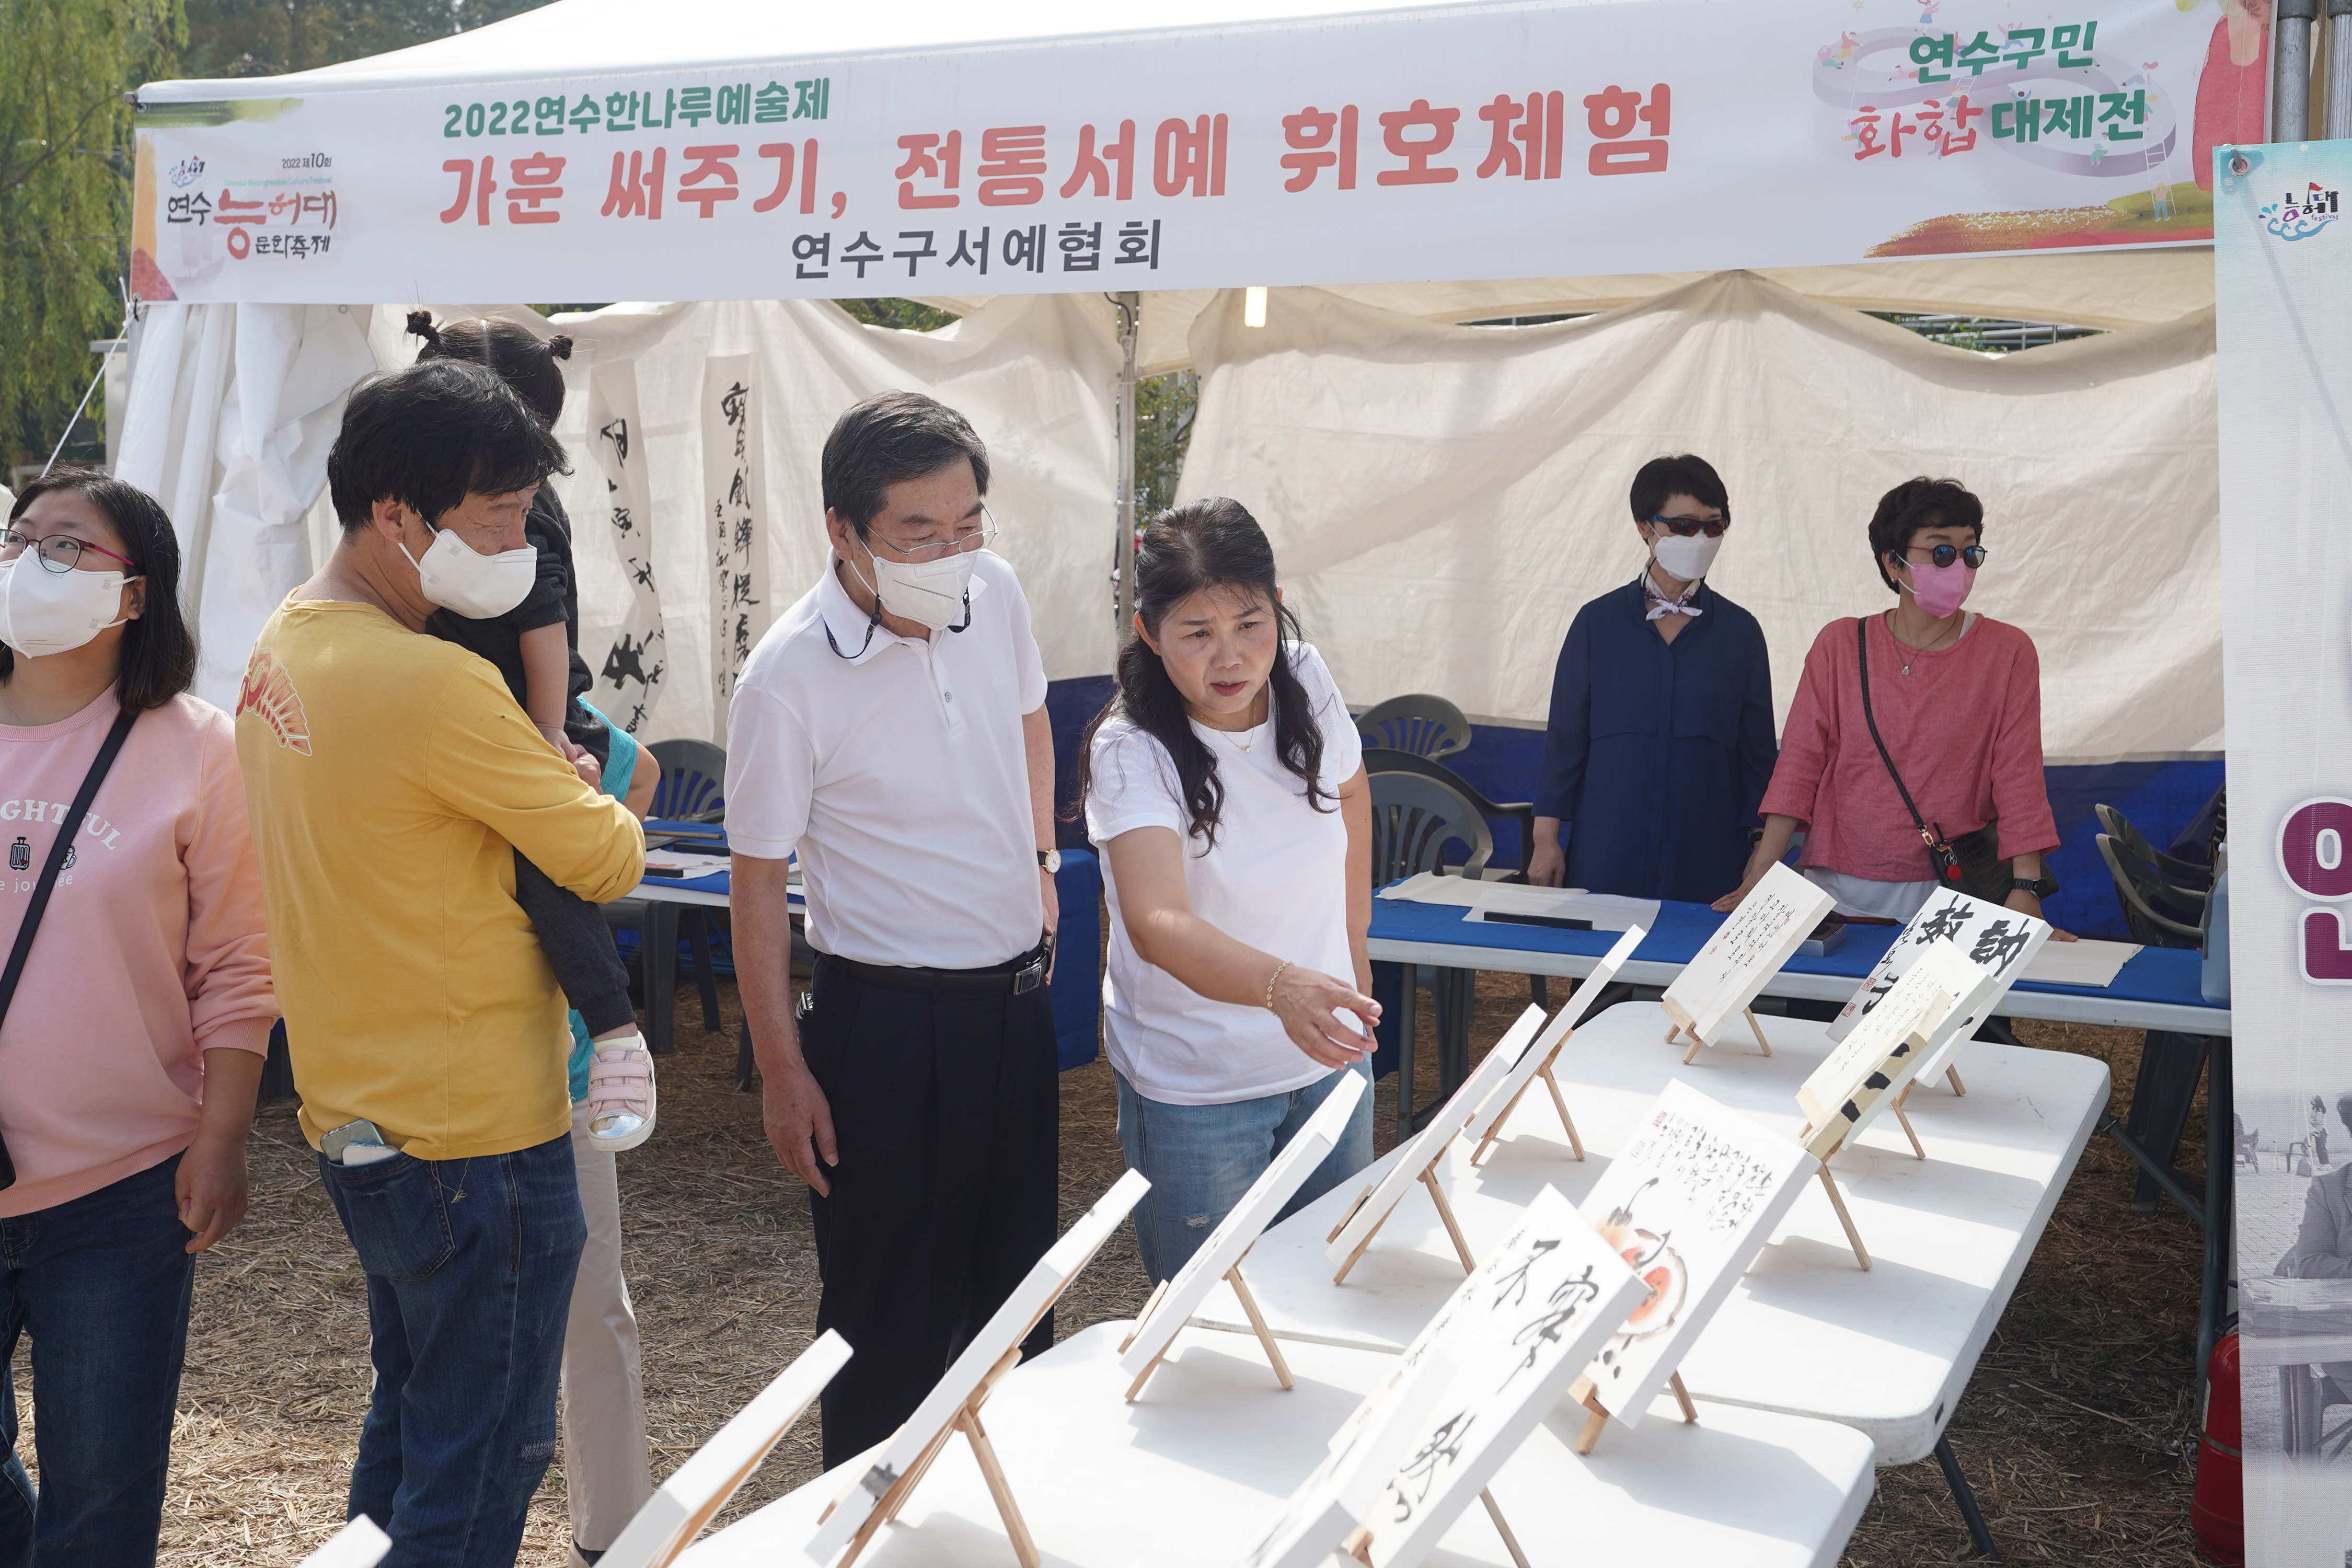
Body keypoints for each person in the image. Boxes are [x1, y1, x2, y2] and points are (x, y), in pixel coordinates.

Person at [235, 360, 645, 1568]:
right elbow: (609, 856)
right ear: (398, 515)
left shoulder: (283, 645)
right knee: (475, 1475)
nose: (520, 546)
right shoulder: (434, 684)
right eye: (498, 518)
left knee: (409, 1422)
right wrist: (575, 788)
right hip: (480, 1137)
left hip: (361, 1114)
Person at [728, 391, 1059, 1468]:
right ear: (843, 530)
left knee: (1018, 1311)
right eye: (919, 529)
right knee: (886, 1329)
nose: (951, 550)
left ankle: (1006, 1527)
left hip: (1014, 1009)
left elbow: (1028, 715)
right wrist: (784, 1070)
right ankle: (868, 1528)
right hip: (887, 1028)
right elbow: (757, 882)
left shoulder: (994, 594)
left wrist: (1044, 862)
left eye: (968, 522)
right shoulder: (786, 678)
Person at [408, 315, 660, 1568]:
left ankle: (612, 1528)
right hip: (436, 1052)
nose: (505, 524)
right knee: (448, 1333)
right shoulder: (373, 631)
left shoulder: (524, 558)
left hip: (543, 1047)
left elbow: (631, 774)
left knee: (578, 1305)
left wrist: (550, 758)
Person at [0, 469, 274, 1568]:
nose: (31, 562)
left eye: (69, 548)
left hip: (121, 1190)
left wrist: (224, 1141)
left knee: (104, 1492)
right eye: (20, 539)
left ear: (135, 596)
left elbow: (242, 966)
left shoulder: (198, 748)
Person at [1079, 499, 1378, 1283]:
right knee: (1212, 1319)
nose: (1231, 657)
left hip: (1329, 1055)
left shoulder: (1305, 678)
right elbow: (1156, 921)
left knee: (1335, 1287)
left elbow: (1352, 791)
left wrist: (1353, 952)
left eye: (1249, 625)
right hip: (1199, 1087)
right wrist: (1280, 986)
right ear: (1147, 633)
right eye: (1197, 634)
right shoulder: (1131, 749)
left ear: (1277, 608)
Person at [407, 313, 656, 1154]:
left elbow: (544, 623)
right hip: (515, 707)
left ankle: (610, 1026)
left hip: (530, 710)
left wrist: (548, 731)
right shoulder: (452, 499)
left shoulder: (514, 507)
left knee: (546, 858)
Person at [1717, 477, 2071, 936]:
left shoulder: (2008, 651)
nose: (1959, 566)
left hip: (1950, 897)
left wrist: (2027, 886)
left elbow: (2018, 775)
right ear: (1892, 562)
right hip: (1835, 895)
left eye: (1971, 552)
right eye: (1941, 552)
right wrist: (1763, 869)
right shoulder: (1839, 644)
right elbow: (1800, 763)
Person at [1528, 455, 1775, 902]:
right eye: (1683, 525)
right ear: (1645, 527)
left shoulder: (1742, 633)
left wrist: (1760, 850)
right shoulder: (1595, 624)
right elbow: (1565, 739)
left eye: (1713, 526)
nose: (1699, 538)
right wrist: (1546, 841)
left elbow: (1758, 754)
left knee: (1695, 968)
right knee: (1599, 969)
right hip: (1606, 853)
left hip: (1707, 856)